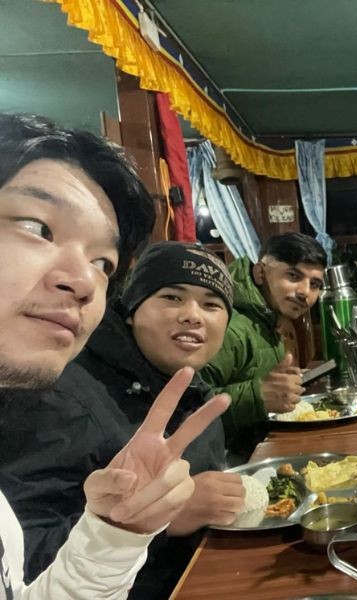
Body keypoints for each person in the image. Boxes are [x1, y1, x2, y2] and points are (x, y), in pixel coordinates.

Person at [0, 113, 228, 599]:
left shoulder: (187, 386)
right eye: (38, 227)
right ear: (129, 310)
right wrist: (165, 522)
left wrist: (115, 528)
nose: (82, 281)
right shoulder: (53, 396)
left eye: (103, 263)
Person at [201, 232, 326, 457]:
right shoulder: (232, 329)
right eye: (293, 275)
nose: (305, 293)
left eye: (315, 284)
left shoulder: (265, 319)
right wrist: (256, 396)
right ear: (260, 273)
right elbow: (185, 407)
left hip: (257, 450)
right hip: (220, 467)